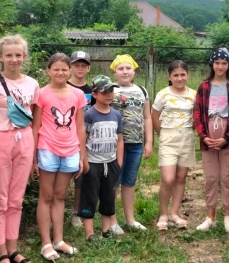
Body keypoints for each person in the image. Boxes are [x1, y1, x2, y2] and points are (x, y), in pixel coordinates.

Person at [0, 35, 39, 263]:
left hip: (24, 139)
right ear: (0, 57)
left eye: (18, 55)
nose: (14, 59)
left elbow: (33, 116)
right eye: (9, 55)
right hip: (0, 139)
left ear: (24, 56)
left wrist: (32, 148)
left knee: (16, 199)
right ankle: (0, 252)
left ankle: (13, 249)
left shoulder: (32, 84)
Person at [31, 53, 87, 262]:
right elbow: (35, 126)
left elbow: (80, 126)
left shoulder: (77, 95)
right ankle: (45, 243)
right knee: (46, 196)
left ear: (70, 70)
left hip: (71, 150)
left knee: (60, 196)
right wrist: (34, 157)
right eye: (56, 69)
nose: (60, 73)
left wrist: (82, 155)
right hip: (47, 148)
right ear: (48, 71)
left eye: (64, 69)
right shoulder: (42, 94)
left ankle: (59, 240)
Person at [193, 47, 229, 233]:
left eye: (224, 63)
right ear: (212, 64)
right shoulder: (204, 86)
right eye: (217, 63)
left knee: (227, 177)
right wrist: (203, 136)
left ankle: (227, 215)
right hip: (208, 136)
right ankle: (210, 216)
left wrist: (227, 137)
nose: (220, 66)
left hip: (227, 138)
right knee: (211, 177)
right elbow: (197, 112)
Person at [108, 54, 153, 233]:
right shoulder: (111, 90)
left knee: (129, 181)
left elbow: (147, 117)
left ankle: (130, 219)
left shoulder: (142, 91)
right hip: (115, 145)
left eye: (128, 68)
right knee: (114, 182)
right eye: (121, 68)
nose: (125, 72)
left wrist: (148, 141)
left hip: (136, 144)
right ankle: (111, 220)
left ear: (134, 71)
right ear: (115, 72)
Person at [78, 75, 124, 241]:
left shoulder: (116, 115)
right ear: (95, 94)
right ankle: (89, 234)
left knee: (108, 197)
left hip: (110, 163)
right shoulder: (89, 115)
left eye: (111, 91)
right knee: (90, 197)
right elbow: (83, 139)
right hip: (93, 163)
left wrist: (118, 163)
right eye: (105, 91)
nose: (109, 94)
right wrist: (84, 161)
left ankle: (106, 231)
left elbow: (120, 140)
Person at [152, 60, 197, 230]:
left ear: (188, 75)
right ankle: (163, 213)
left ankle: (174, 213)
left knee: (180, 178)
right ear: (169, 77)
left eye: (182, 75)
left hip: (186, 139)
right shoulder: (163, 94)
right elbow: (154, 115)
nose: (179, 78)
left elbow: (196, 117)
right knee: (168, 178)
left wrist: (188, 130)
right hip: (168, 139)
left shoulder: (194, 94)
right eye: (175, 75)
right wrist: (161, 133)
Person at [68, 51, 93, 230]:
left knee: (82, 177)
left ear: (88, 68)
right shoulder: (63, 86)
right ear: (70, 67)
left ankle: (76, 212)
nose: (80, 68)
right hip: (64, 137)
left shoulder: (92, 91)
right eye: (76, 65)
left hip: (87, 138)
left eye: (83, 65)